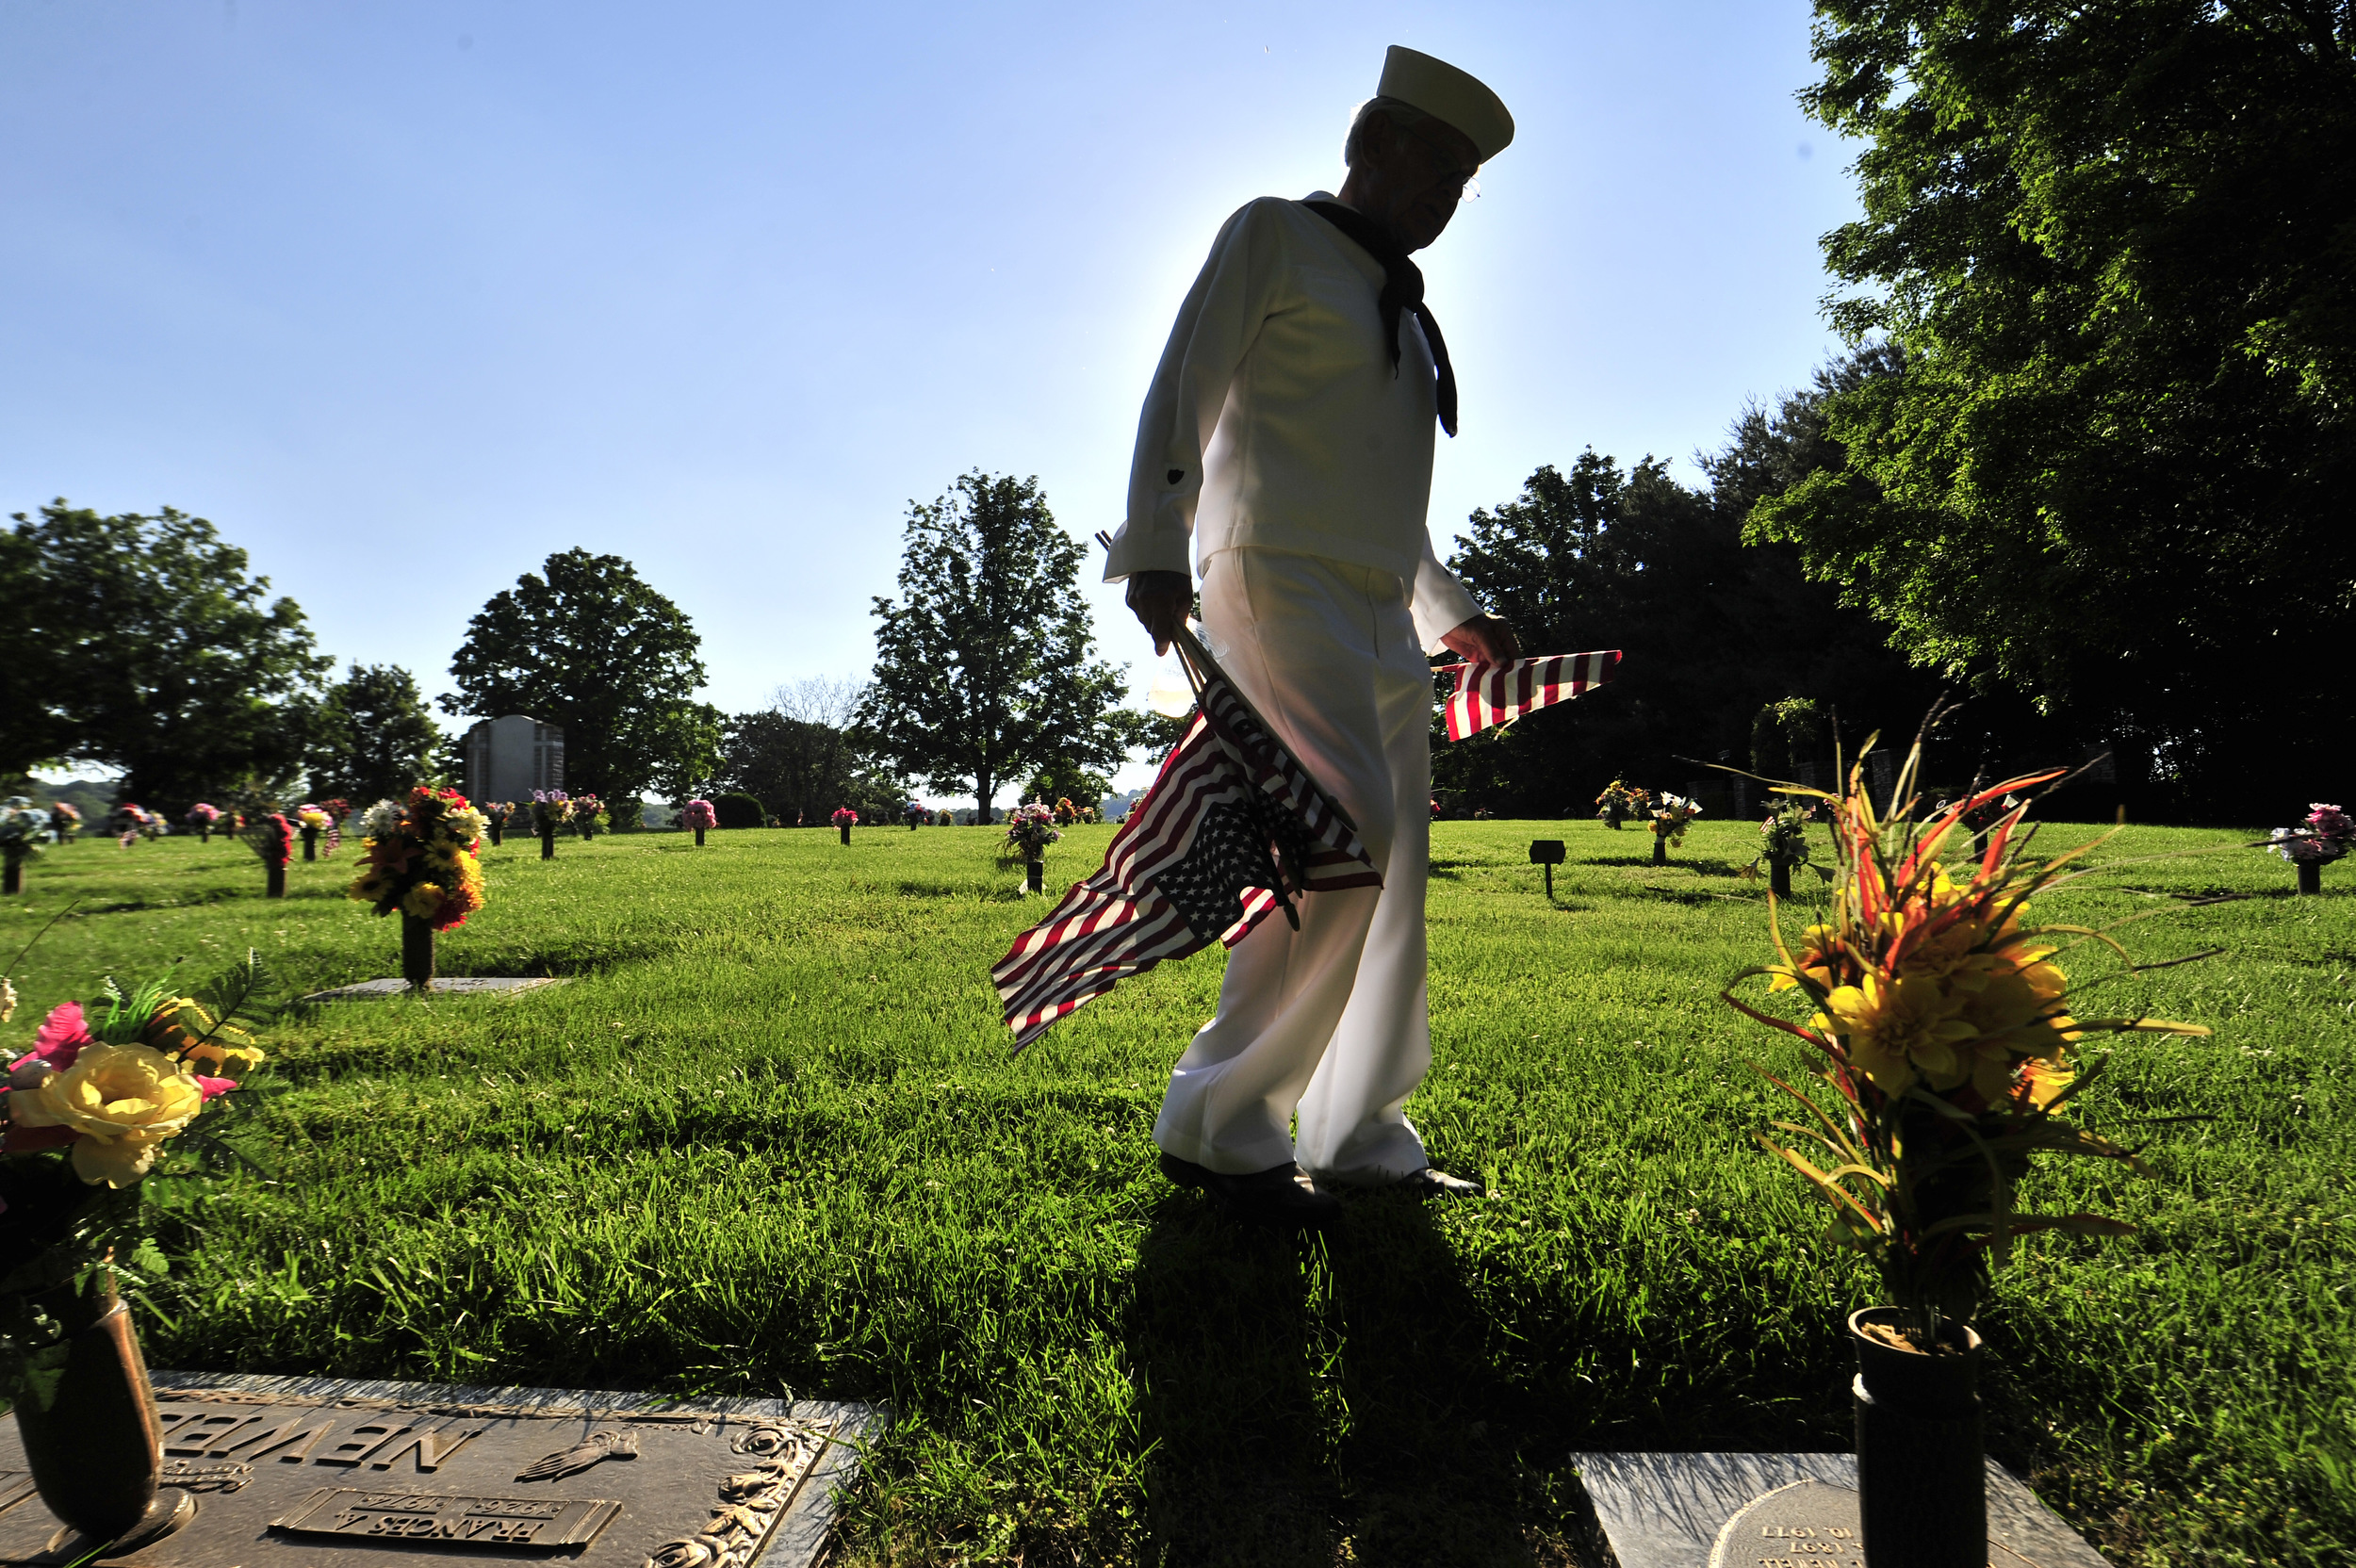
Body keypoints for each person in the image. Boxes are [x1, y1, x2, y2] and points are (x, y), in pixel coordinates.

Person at [1103, 46, 1522, 1226]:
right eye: (1434, 166)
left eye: (1461, 184)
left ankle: (1359, 1133)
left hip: (1380, 608)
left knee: (1393, 876)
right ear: (1369, 146)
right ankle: (1219, 1129)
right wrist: (1152, 543)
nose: (1444, 198)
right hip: (1275, 582)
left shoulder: (1399, 301)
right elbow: (1182, 380)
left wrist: (1454, 613)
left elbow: (1387, 496)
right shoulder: (1274, 236)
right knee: (1341, 848)